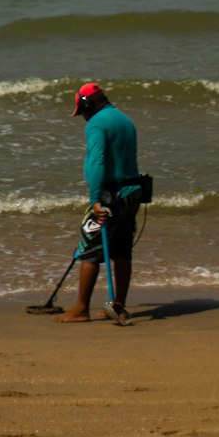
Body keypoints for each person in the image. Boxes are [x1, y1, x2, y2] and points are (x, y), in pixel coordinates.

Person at [56, 81, 141, 323]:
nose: (82, 117)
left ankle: (81, 309)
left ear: (87, 104)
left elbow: (97, 162)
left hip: (110, 195)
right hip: (132, 192)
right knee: (123, 251)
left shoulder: (96, 124)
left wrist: (95, 201)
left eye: (81, 111)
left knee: (90, 249)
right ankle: (118, 305)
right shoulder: (124, 119)